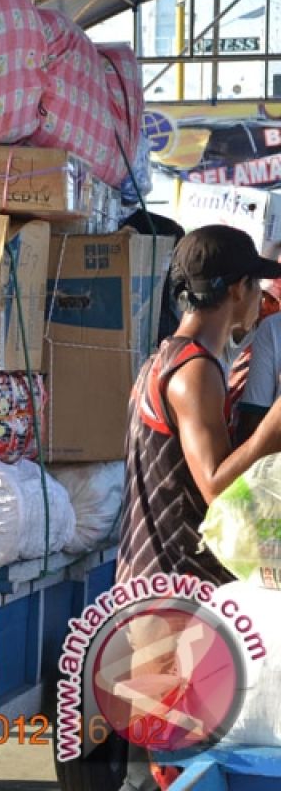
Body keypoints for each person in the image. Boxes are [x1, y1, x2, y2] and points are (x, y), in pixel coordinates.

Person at [116, 225, 281, 791]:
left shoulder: (170, 358)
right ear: (237, 289)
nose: (262, 299)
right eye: (257, 285)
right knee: (170, 773)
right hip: (172, 600)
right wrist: (271, 433)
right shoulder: (193, 372)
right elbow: (214, 486)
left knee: (168, 766)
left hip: (157, 591)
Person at [233, 276, 281, 442]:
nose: (264, 306)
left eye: (273, 301)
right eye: (263, 297)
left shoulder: (272, 329)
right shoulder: (241, 346)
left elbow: (251, 421)